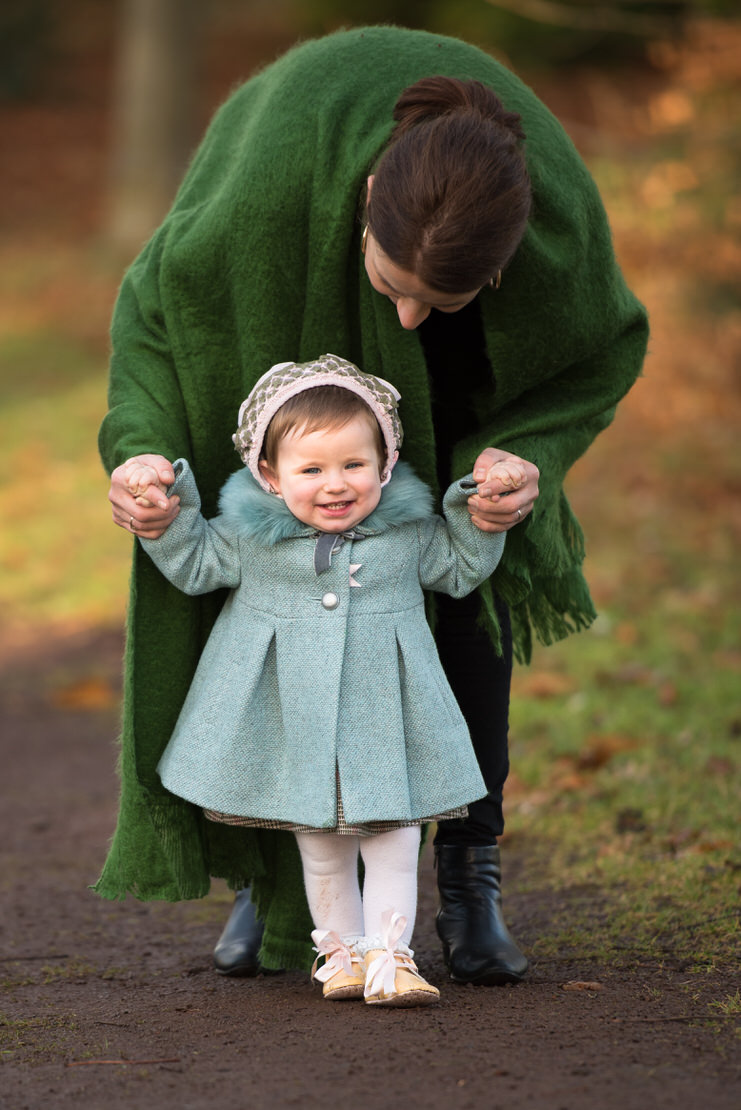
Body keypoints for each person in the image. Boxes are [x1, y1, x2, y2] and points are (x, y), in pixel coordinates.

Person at [99, 25, 649, 985]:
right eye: (393, 287)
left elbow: (600, 349)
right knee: (275, 637)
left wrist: (520, 458)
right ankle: (270, 885)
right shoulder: (270, 184)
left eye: (442, 297)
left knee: (466, 616)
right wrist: (141, 451)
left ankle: (469, 878)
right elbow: (153, 310)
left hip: (464, 408)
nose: (405, 320)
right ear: (364, 205)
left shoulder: (547, 213)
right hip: (302, 388)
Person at [123, 354, 521, 1005]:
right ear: (271, 477)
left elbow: (457, 568)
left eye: (353, 465)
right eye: (311, 470)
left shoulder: (407, 534)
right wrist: (165, 519)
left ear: (385, 465)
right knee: (321, 848)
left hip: (388, 722)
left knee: (394, 838)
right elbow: (194, 565)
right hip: (295, 725)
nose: (334, 485)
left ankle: (393, 958)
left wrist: (479, 519)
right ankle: (339, 955)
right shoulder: (250, 540)